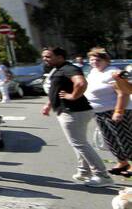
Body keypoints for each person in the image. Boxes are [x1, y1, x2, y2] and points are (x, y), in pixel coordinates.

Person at [41, 46, 110, 186]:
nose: (45, 59)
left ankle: (102, 175)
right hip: (71, 110)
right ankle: (84, 171)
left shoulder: (68, 68)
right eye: (44, 56)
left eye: (48, 56)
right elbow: (57, 89)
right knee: (79, 143)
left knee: (79, 143)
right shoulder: (58, 69)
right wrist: (49, 104)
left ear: (60, 57)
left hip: (73, 111)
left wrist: (72, 96)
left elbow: (81, 83)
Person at [85, 48, 132, 177]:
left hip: (116, 110)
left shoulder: (112, 72)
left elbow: (123, 93)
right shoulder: (93, 72)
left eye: (98, 59)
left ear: (106, 61)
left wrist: (118, 111)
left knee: (126, 139)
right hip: (100, 112)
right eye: (92, 59)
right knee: (110, 140)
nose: (94, 62)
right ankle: (122, 162)